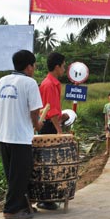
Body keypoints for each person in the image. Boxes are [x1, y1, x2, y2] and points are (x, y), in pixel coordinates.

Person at [0, 50, 43, 219]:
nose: (34, 68)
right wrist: (37, 125)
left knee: (12, 175)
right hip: (21, 137)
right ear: (29, 66)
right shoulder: (30, 83)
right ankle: (11, 210)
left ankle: (22, 205)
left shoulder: (2, 81)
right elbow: (35, 111)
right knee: (20, 175)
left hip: (4, 135)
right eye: (34, 65)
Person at [37, 52, 68, 210]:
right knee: (49, 163)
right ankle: (45, 198)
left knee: (50, 162)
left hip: (50, 124)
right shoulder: (49, 85)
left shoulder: (52, 83)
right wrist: (59, 131)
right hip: (49, 127)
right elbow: (51, 112)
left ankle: (49, 197)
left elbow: (54, 111)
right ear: (57, 67)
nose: (64, 68)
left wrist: (61, 116)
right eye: (63, 65)